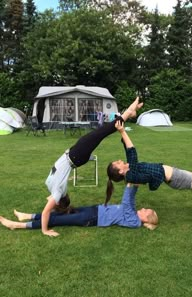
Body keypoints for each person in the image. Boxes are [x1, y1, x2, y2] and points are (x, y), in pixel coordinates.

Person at [41, 97, 143, 237]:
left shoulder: (54, 190)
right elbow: (46, 211)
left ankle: (129, 113)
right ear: (59, 200)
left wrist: (55, 205)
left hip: (75, 155)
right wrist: (45, 230)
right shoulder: (56, 190)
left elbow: (49, 204)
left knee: (102, 132)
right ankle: (128, 112)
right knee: (102, 132)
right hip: (75, 156)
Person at [105, 121, 192, 235]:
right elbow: (132, 153)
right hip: (176, 177)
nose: (120, 160)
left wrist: (122, 130)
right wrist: (122, 132)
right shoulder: (132, 175)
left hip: (174, 173)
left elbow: (128, 150)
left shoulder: (131, 170)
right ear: (120, 171)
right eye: (117, 163)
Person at [0, 184, 158, 234]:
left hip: (90, 219)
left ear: (145, 219)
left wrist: (131, 185)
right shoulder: (133, 215)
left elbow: (126, 202)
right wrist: (134, 185)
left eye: (146, 211)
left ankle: (17, 225)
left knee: (55, 219)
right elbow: (130, 202)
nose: (143, 208)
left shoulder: (134, 221)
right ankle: (26, 215)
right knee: (65, 211)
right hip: (95, 210)